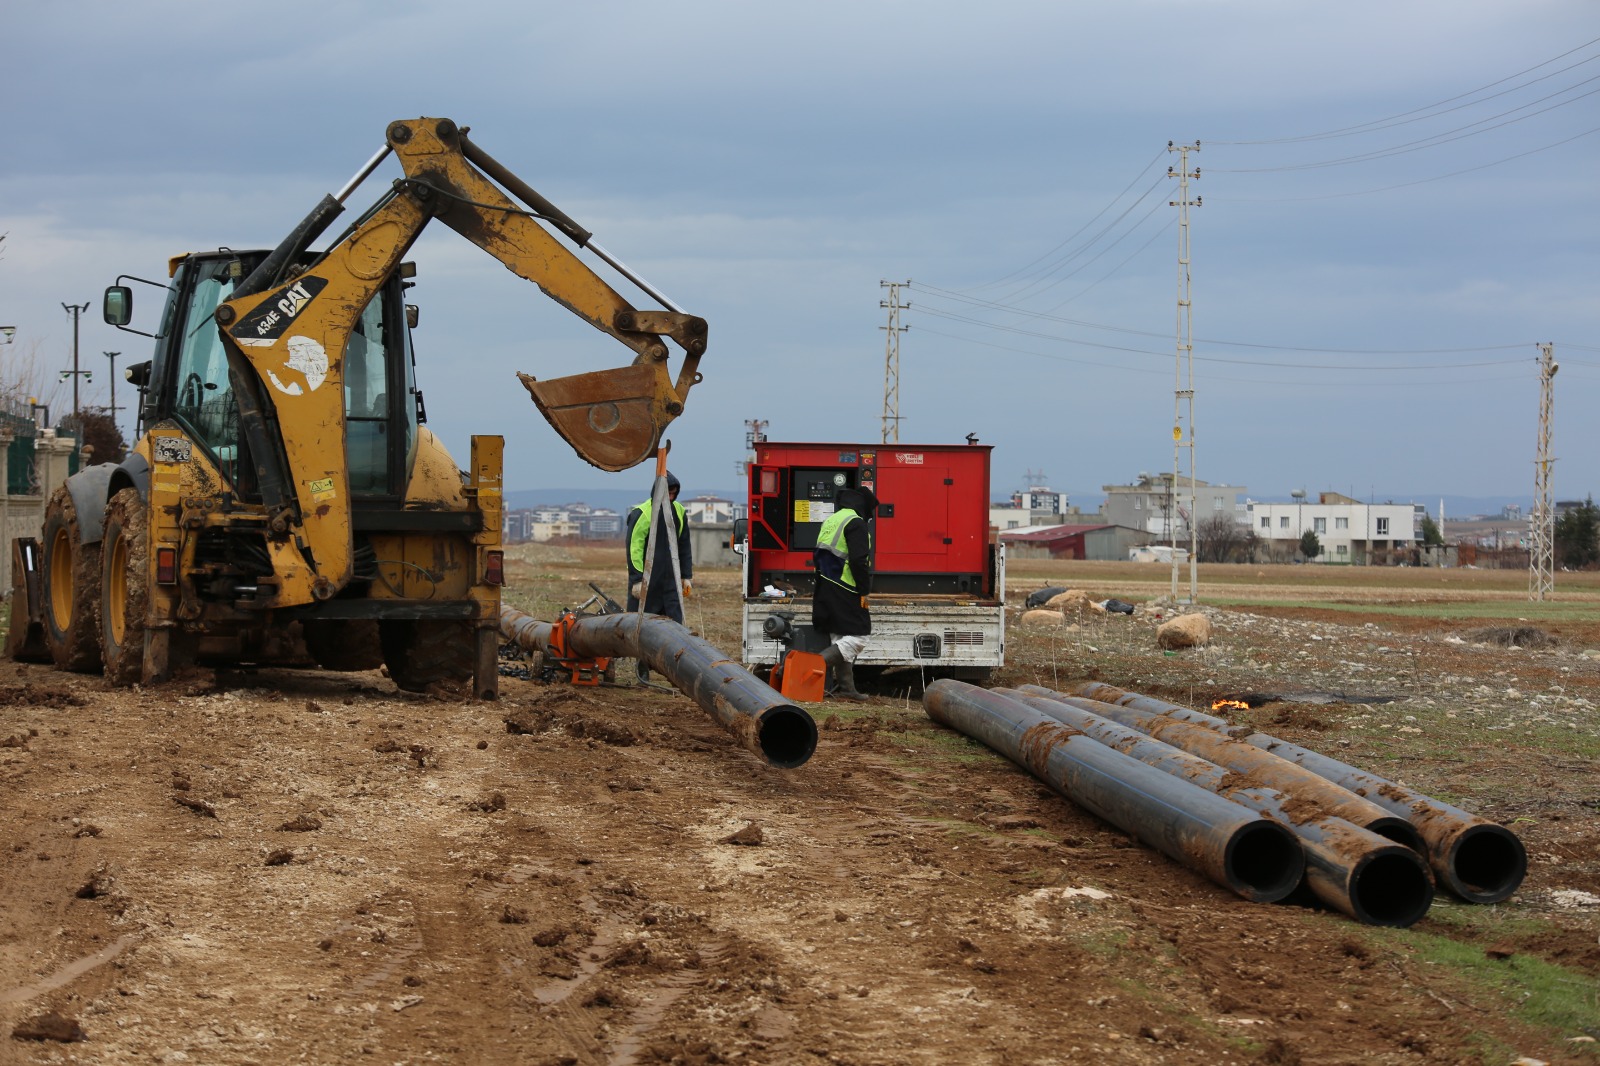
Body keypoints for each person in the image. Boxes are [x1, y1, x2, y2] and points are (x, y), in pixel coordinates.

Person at [625, 471, 693, 684]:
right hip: (649, 580)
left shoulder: (679, 511)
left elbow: (684, 545)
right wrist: (637, 579)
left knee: (675, 625)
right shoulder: (642, 513)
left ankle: (674, 670)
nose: (671, 497)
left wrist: (686, 576)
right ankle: (642, 668)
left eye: (674, 494)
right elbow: (634, 548)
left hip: (671, 579)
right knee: (644, 625)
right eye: (668, 493)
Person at [812, 484, 876, 702]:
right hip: (845, 587)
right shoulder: (856, 523)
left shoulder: (833, 519)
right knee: (859, 636)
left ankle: (847, 689)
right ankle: (807, 667)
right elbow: (859, 561)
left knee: (840, 636)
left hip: (825, 585)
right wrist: (864, 590)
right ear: (864, 507)